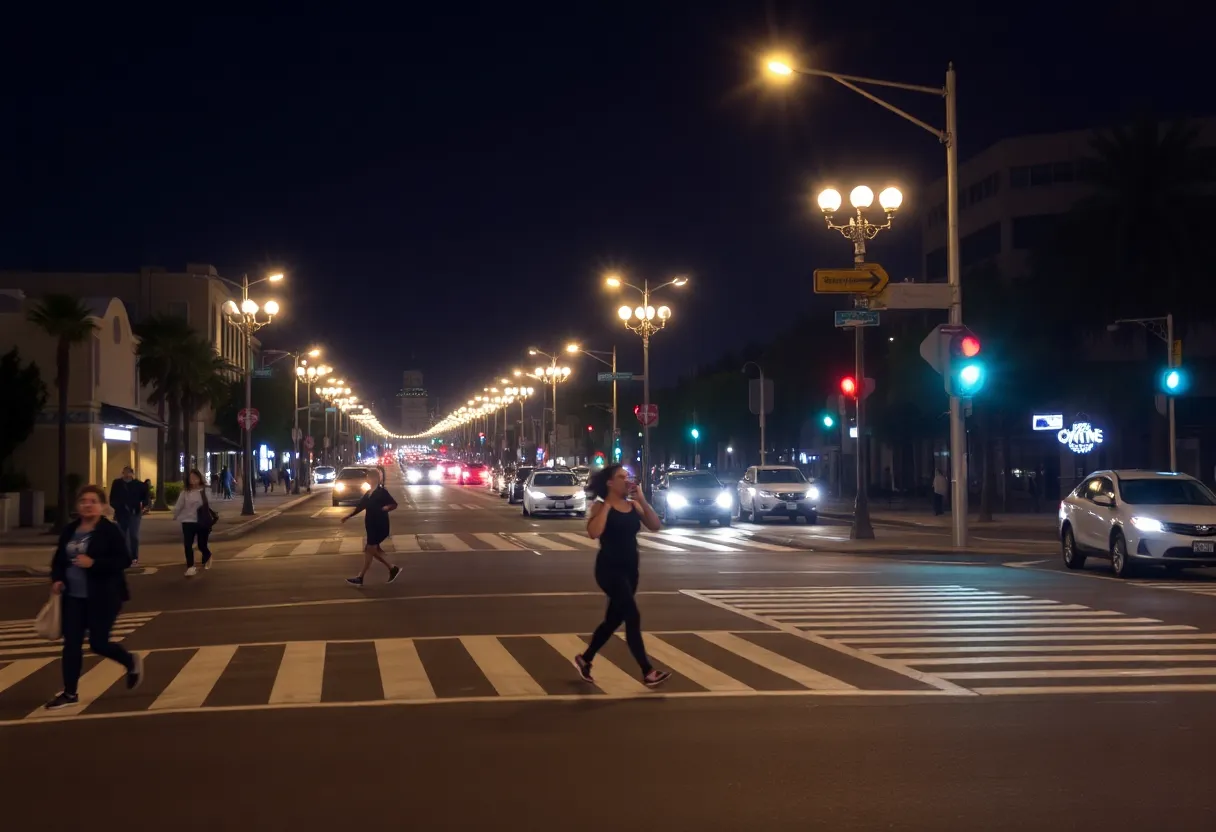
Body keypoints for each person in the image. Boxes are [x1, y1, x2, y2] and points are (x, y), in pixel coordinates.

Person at [44, 484, 142, 710]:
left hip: (103, 596)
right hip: (73, 597)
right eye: (83, 501)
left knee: (98, 643)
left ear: (102, 506)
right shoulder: (70, 530)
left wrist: (94, 563)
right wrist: (57, 579)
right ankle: (69, 693)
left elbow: (124, 560)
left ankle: (130, 661)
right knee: (71, 645)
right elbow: (58, 560)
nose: (87, 505)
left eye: (93, 501)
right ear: (78, 506)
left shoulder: (109, 530)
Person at [573, 464, 671, 688]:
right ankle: (647, 671)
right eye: (621, 477)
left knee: (613, 620)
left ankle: (585, 658)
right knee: (632, 615)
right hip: (608, 570)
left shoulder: (633, 505)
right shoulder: (600, 507)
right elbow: (593, 532)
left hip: (630, 571)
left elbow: (655, 526)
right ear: (610, 482)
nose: (627, 481)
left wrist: (642, 500)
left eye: (628, 477)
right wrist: (607, 505)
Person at [341, 467, 401, 586]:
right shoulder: (369, 493)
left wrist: (386, 508)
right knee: (369, 551)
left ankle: (365, 576)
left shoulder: (381, 491)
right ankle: (388, 570)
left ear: (374, 478)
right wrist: (349, 516)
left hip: (380, 525)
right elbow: (360, 507)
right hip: (371, 525)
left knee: (370, 550)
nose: (367, 478)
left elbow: (394, 504)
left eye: (369, 476)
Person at [173, 468, 215, 576]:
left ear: (200, 478)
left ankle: (208, 555)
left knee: (202, 545)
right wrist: (175, 515)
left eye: (195, 478)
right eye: (191, 478)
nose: (193, 480)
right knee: (187, 544)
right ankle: (190, 567)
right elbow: (179, 506)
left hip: (202, 521)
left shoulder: (206, 491)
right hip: (188, 521)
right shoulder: (185, 492)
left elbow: (209, 505)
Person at [109, 466, 149, 566]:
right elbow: (112, 498)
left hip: (134, 512)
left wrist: (143, 506)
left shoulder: (139, 485)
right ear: (122, 473)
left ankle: (134, 557)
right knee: (122, 535)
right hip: (121, 513)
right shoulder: (117, 484)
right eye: (125, 473)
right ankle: (124, 556)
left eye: (129, 473)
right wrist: (117, 507)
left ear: (132, 474)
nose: (126, 475)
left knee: (133, 535)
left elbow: (145, 497)